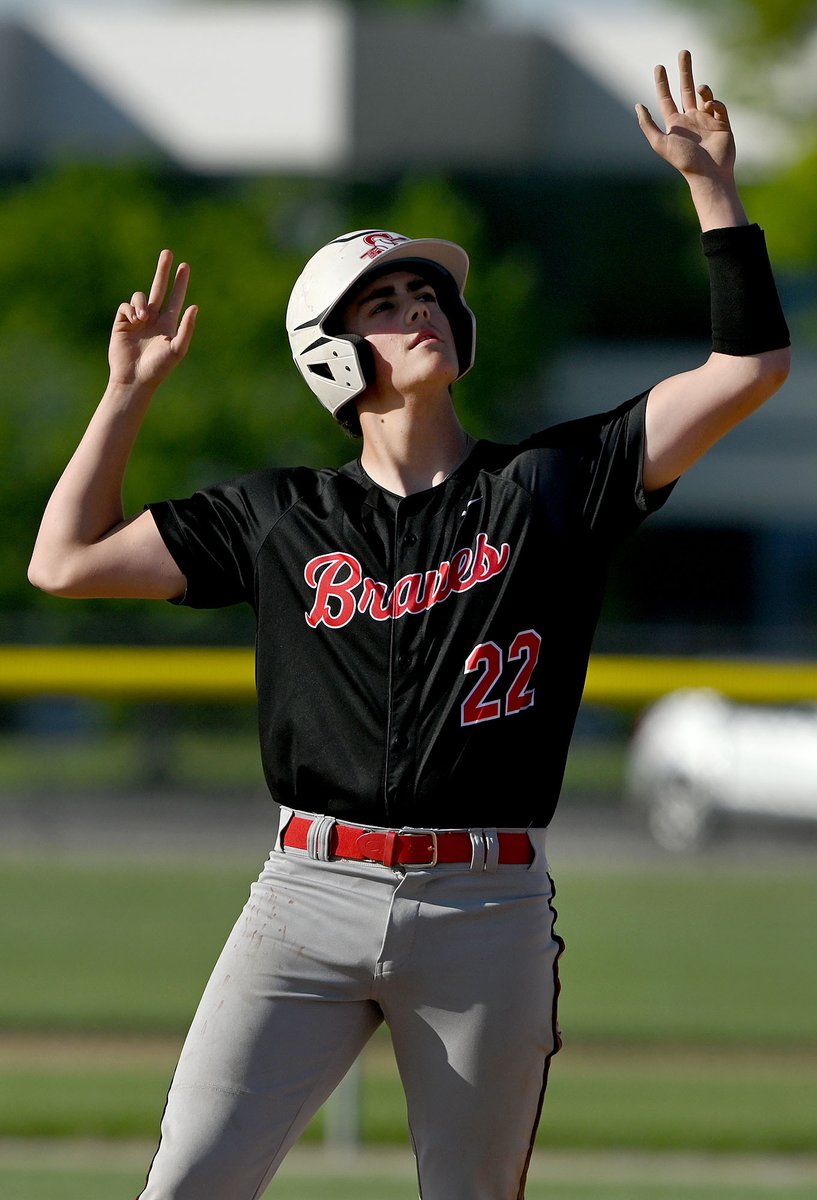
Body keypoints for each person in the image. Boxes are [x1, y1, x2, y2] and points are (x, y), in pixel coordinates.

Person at [28, 50, 789, 1200]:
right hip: (304, 895)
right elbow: (66, 560)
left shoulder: (553, 483)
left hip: (485, 906)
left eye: (426, 293)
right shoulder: (281, 517)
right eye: (384, 303)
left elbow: (748, 366)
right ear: (335, 358)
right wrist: (125, 395)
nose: (419, 306)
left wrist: (711, 191)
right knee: (184, 1186)